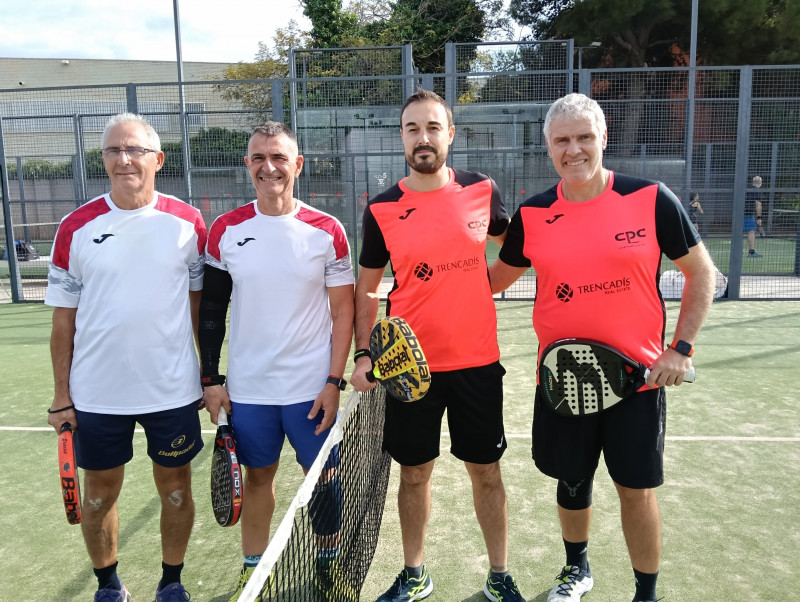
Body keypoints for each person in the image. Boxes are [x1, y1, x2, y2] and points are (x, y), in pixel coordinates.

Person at [488, 93, 716, 602]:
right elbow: (495, 279)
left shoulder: (651, 199)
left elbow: (702, 273)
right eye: (562, 140)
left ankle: (645, 594)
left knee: (636, 490)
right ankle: (577, 570)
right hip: (563, 380)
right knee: (572, 481)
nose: (574, 149)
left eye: (584, 137)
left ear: (603, 139)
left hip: (637, 383)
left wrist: (681, 349)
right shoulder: (533, 213)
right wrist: (438, 270)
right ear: (548, 147)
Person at [349, 89, 525, 602]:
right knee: (414, 474)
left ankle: (499, 574)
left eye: (432, 127)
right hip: (407, 368)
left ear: (450, 133)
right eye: (412, 129)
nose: (422, 138)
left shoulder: (482, 190)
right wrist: (364, 355)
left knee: (486, 472)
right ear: (402, 138)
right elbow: (366, 288)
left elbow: (515, 248)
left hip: (477, 364)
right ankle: (414, 574)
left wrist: (487, 285)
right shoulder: (381, 208)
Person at [45, 113, 207, 602]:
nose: (124, 159)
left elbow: (200, 310)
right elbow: (63, 322)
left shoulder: (188, 223)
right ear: (104, 160)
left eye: (135, 149)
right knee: (98, 495)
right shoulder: (75, 227)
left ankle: (171, 582)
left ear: (158, 160)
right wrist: (61, 395)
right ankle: (109, 586)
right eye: (114, 150)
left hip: (172, 390)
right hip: (97, 393)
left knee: (176, 490)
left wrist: (210, 376)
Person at [198, 122, 355, 601]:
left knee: (323, 480)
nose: (269, 167)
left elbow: (343, 312)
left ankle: (329, 561)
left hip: (311, 389)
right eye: (259, 158)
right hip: (250, 390)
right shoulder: (226, 230)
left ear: (297, 165)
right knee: (257, 476)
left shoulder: (327, 230)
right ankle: (253, 569)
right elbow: (212, 310)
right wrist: (211, 378)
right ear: (247, 165)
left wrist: (333, 381)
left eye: (279, 157)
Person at [746, 176, 764, 256]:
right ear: (760, 183)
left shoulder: (747, 189)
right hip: (749, 214)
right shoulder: (757, 191)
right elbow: (758, 205)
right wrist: (759, 218)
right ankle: (751, 252)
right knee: (751, 231)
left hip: (740, 213)